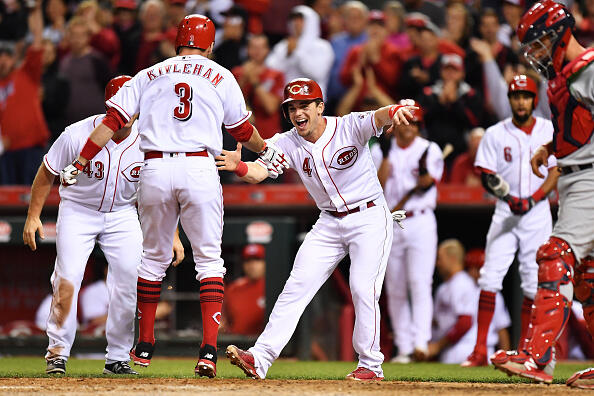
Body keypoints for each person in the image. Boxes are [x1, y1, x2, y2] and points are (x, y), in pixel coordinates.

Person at [58, 14, 286, 378]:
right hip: (199, 167)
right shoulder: (221, 74)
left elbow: (111, 121)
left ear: (176, 42)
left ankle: (145, 343)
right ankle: (209, 350)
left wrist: (82, 160)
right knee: (209, 261)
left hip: (154, 168)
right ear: (209, 45)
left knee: (152, 258)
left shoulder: (149, 73)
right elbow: (242, 130)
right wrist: (265, 152)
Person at [217, 78, 416, 381]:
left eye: (305, 105)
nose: (298, 112)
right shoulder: (287, 141)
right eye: (292, 108)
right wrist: (240, 165)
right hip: (328, 221)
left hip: (369, 216)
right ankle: (260, 358)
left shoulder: (348, 126)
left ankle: (370, 365)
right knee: (295, 287)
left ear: (320, 106)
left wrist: (397, 109)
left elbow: (378, 116)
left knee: (363, 288)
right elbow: (259, 171)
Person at [22, 76, 184, 375]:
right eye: (116, 107)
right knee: (67, 278)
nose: (122, 114)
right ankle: (57, 353)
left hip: (122, 213)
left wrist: (172, 233)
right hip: (78, 210)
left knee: (127, 281)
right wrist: (34, 216)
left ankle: (118, 357)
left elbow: (162, 190)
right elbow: (48, 171)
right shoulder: (78, 133)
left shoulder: (151, 139)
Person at [490, 1, 594, 389]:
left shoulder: (588, 68)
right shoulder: (569, 74)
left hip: (589, 178)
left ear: (561, 33)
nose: (536, 52)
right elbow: (579, 125)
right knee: (587, 280)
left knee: (556, 255)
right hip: (575, 174)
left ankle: (538, 356)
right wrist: (549, 149)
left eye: (541, 41)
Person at [460, 74, 559, 369]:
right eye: (516, 96)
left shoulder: (548, 130)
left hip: (537, 212)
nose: (520, 101)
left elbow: (556, 171)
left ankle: (528, 350)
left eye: (526, 96)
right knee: (490, 278)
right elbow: (486, 174)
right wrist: (505, 195)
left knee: (533, 282)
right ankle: (479, 350)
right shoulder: (495, 132)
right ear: (510, 100)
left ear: (534, 99)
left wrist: (533, 198)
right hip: (506, 211)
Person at [371, 101, 443, 363]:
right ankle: (404, 347)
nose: (410, 127)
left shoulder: (429, 149)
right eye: (406, 121)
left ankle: (421, 343)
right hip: (393, 221)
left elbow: (428, 183)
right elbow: (375, 187)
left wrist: (423, 174)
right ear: (396, 123)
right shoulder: (382, 151)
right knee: (396, 286)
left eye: (414, 122)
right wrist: (387, 159)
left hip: (420, 219)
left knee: (420, 282)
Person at [0, 2, 50, 185]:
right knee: (8, 207)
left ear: (14, 58)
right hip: (5, 152)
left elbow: (37, 39)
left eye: (7, 56)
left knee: (35, 200)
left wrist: (35, 10)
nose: (2, 60)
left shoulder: (26, 73)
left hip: (32, 148)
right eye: (0, 56)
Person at [426, 239, 477, 363]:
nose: (437, 263)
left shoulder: (463, 283)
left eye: (440, 258)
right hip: (448, 349)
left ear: (452, 259)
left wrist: (438, 346)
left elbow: (465, 322)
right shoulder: (444, 287)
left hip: (464, 348)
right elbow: (436, 322)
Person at [265, 5, 334, 97]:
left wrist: (297, 52)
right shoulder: (284, 45)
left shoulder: (322, 46)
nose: (296, 23)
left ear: (311, 22)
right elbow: (271, 69)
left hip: (312, 100)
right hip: (287, 100)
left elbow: (318, 73)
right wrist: (288, 54)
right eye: (294, 20)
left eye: (301, 20)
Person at [463, 248, 511, 361]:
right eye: (471, 268)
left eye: (478, 268)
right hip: (457, 347)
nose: (474, 272)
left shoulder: (494, 295)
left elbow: (502, 329)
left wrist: (505, 357)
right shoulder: (461, 288)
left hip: (486, 350)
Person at [223, 244, 266, 335]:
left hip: (262, 345)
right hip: (236, 344)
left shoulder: (273, 287)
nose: (252, 265)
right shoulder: (233, 289)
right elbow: (224, 321)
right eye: (248, 261)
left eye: (257, 260)